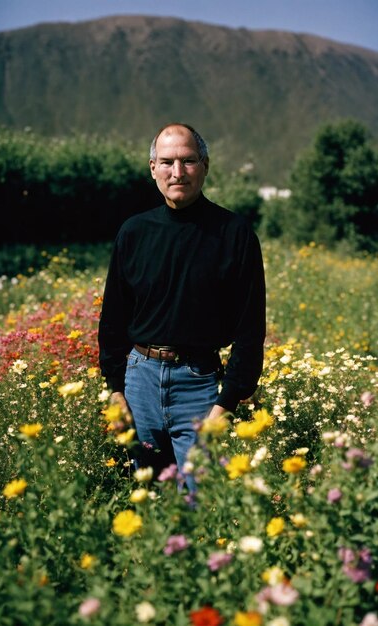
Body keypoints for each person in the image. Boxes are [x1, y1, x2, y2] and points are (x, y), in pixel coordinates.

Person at [98, 123, 266, 488]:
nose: (177, 172)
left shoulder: (234, 234)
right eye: (167, 161)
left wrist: (227, 402)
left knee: (201, 501)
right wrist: (115, 388)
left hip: (199, 386)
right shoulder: (134, 232)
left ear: (205, 165)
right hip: (137, 383)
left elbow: (251, 330)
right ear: (152, 167)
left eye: (188, 161)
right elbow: (113, 319)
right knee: (144, 494)